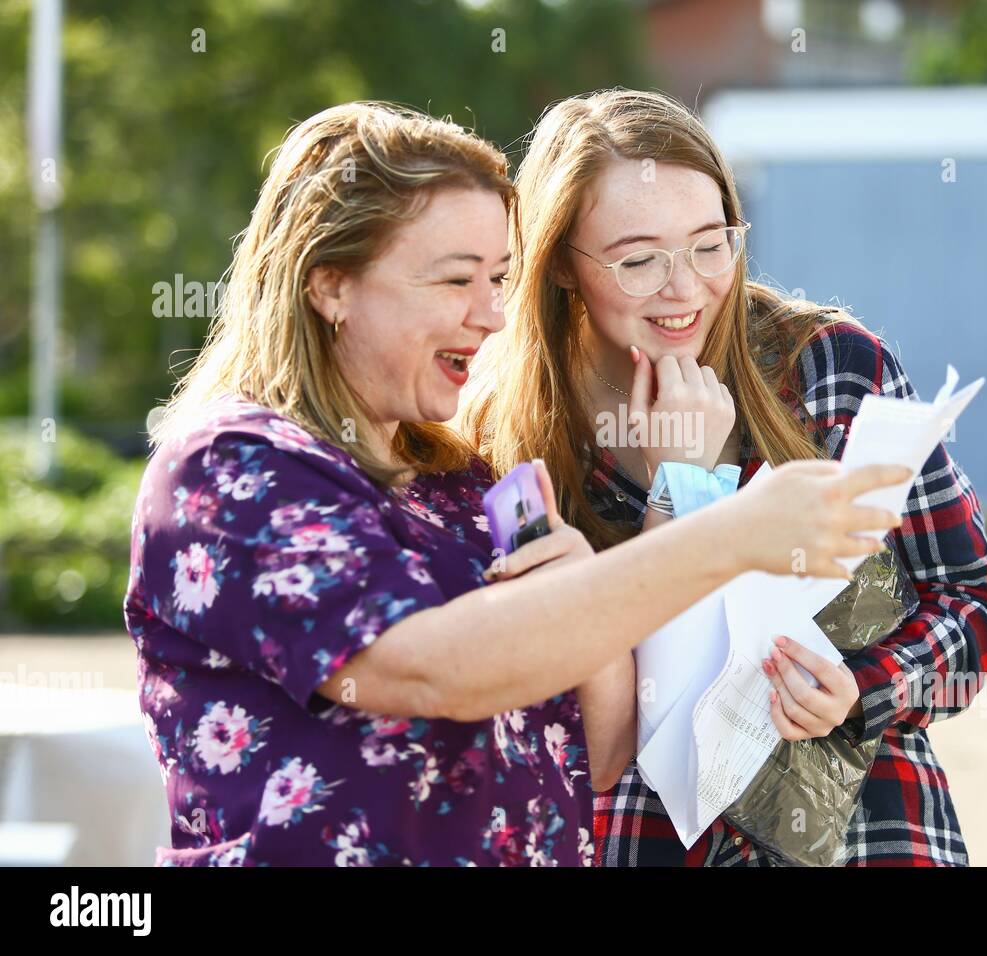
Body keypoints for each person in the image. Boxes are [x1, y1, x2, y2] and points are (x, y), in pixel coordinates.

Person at [123, 101, 912, 867]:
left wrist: (646, 533)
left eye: (499, 277)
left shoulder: (474, 480)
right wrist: (727, 531)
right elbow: (436, 670)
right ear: (330, 285)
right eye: (455, 281)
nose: (493, 316)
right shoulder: (232, 466)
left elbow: (602, 750)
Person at [462, 88, 987, 866]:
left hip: (867, 835)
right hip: (644, 840)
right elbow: (540, 706)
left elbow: (978, 608)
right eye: (639, 259)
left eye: (709, 243)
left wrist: (863, 688)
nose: (685, 287)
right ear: (558, 263)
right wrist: (679, 493)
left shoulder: (831, 369)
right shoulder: (499, 440)